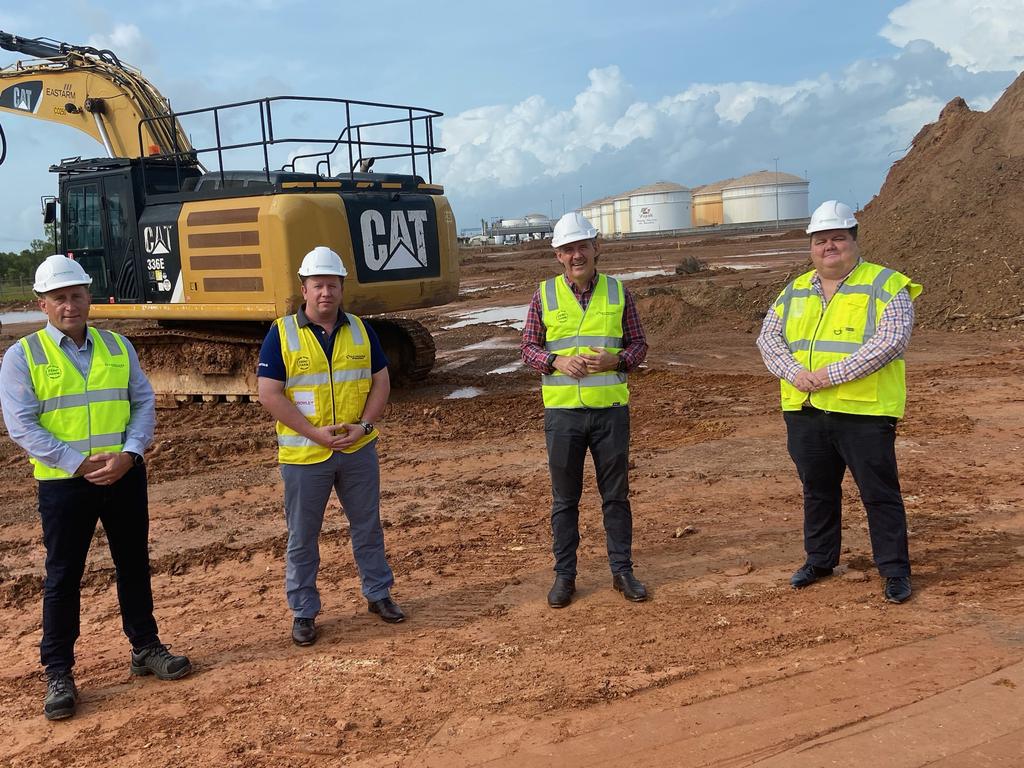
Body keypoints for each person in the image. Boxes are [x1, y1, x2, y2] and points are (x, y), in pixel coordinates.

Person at [0, 255, 191, 722]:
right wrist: (77, 463)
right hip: (65, 485)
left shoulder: (118, 346)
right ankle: (59, 672)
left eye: (77, 295)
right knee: (63, 577)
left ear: (89, 297)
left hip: (124, 476)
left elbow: (143, 402)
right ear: (42, 304)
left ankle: (145, 647)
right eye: (60, 298)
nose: (70, 305)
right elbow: (21, 425)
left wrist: (130, 454)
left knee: (133, 563)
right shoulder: (22, 356)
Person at [756, 200, 922, 604]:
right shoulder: (794, 290)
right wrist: (794, 373)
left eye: (837, 238)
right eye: (820, 240)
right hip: (806, 411)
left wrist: (830, 376)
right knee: (817, 491)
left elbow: (890, 341)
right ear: (811, 246)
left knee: (879, 494)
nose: (829, 247)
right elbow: (767, 338)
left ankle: (894, 571)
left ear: (854, 240)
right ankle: (820, 560)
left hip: (864, 413)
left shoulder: (887, 285)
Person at [256, 246, 403, 646]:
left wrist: (364, 426)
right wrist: (314, 433)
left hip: (357, 450)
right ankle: (303, 612)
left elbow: (381, 382)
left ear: (342, 288)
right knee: (303, 536)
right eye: (318, 285)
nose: (326, 293)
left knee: (368, 527)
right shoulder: (281, 334)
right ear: (304, 289)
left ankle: (379, 594)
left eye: (333, 285)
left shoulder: (360, 329)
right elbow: (270, 394)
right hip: (305, 457)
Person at [520, 212, 650, 608]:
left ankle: (622, 571)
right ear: (558, 255)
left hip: (610, 411)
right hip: (563, 416)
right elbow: (528, 348)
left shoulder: (617, 292)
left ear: (597, 248)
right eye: (568, 249)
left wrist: (617, 361)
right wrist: (555, 362)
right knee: (564, 500)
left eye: (583, 247)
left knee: (616, 496)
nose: (577, 255)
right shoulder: (543, 295)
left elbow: (639, 345)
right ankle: (565, 576)